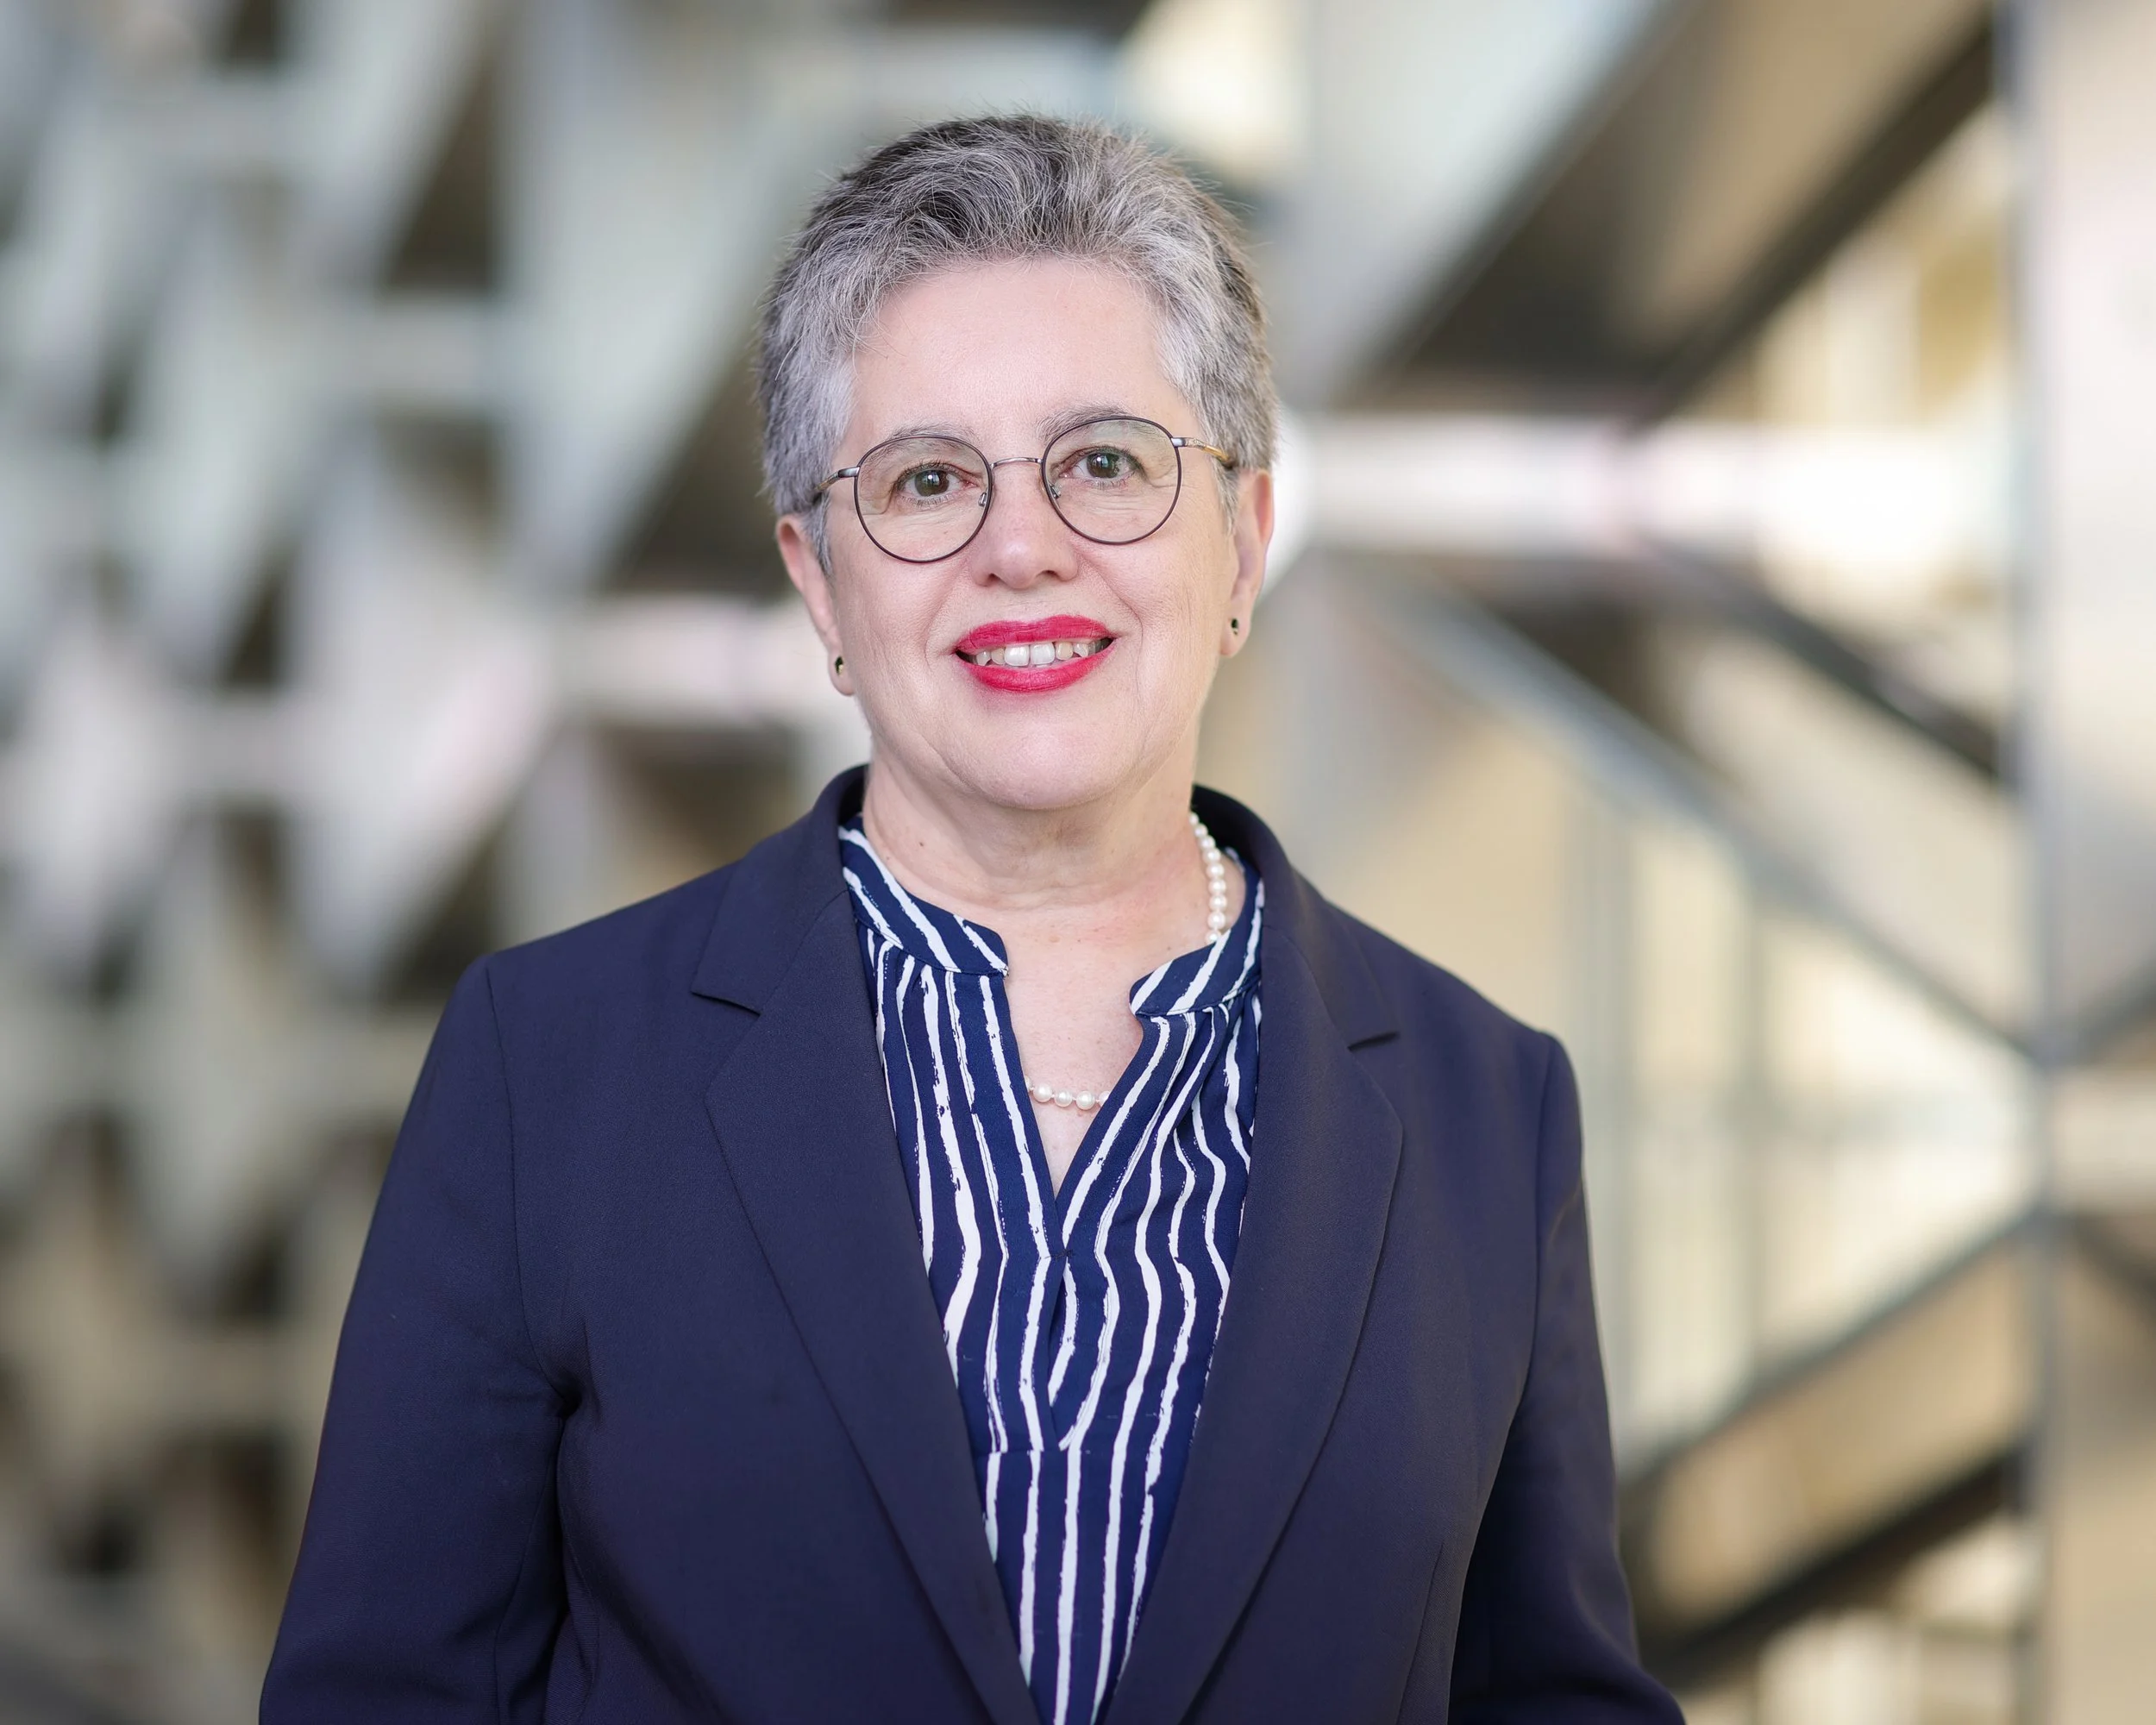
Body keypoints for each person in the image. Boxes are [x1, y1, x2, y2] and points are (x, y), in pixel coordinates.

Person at [262, 115, 1680, 1725]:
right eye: (929, 480)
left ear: (1247, 538)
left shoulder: (1485, 1109)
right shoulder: (554, 1068)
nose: (1024, 547)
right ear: (820, 584)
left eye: (1107, 464)